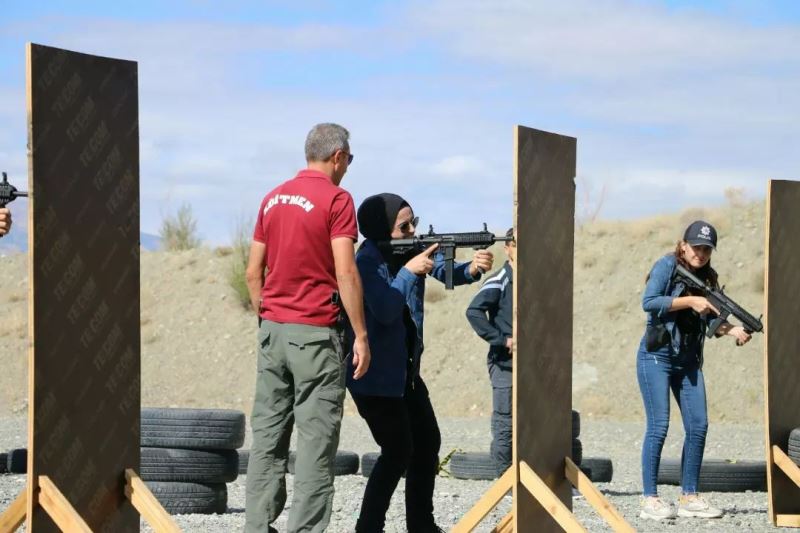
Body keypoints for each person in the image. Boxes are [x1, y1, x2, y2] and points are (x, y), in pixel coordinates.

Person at [244, 123, 371, 533]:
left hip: (273, 332)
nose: (348, 167)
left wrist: (269, 319)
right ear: (337, 156)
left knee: (267, 437)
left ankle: (257, 527)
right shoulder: (337, 199)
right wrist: (361, 335)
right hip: (315, 334)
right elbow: (346, 271)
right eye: (348, 159)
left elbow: (252, 273)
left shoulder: (272, 198)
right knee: (316, 444)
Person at [347, 193, 493, 533]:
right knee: (397, 450)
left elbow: (443, 268)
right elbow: (383, 310)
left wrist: (471, 268)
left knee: (427, 444)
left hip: (404, 374)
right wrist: (410, 273)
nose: (413, 230)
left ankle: (421, 525)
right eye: (405, 226)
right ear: (382, 229)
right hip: (374, 377)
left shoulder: (408, 250)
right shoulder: (366, 262)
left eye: (414, 222)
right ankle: (368, 527)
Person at [637, 220, 751, 521]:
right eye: (696, 247)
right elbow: (648, 302)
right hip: (656, 356)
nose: (701, 253)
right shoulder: (666, 266)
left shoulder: (709, 279)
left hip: (688, 361)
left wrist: (734, 331)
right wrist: (691, 300)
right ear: (683, 245)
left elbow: (709, 322)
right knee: (659, 425)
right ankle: (650, 499)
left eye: (707, 249)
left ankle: (689, 497)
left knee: (698, 426)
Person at [465, 227, 515, 477]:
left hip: (533, 366)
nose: (521, 250)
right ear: (507, 248)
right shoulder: (500, 280)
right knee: (505, 423)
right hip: (504, 364)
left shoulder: (539, 281)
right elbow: (473, 311)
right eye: (515, 244)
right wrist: (502, 340)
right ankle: (504, 478)